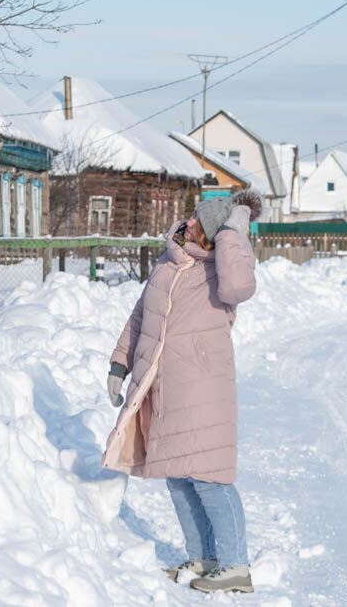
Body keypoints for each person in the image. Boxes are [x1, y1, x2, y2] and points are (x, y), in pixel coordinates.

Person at [102, 189, 261, 594]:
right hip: (166, 385)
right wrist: (120, 363)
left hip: (204, 385)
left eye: (200, 222)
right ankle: (203, 557)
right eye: (193, 216)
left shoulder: (222, 269)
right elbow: (142, 314)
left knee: (210, 478)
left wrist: (231, 231)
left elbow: (241, 285)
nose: (189, 222)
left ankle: (235, 564)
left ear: (214, 235)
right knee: (178, 477)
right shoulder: (171, 260)